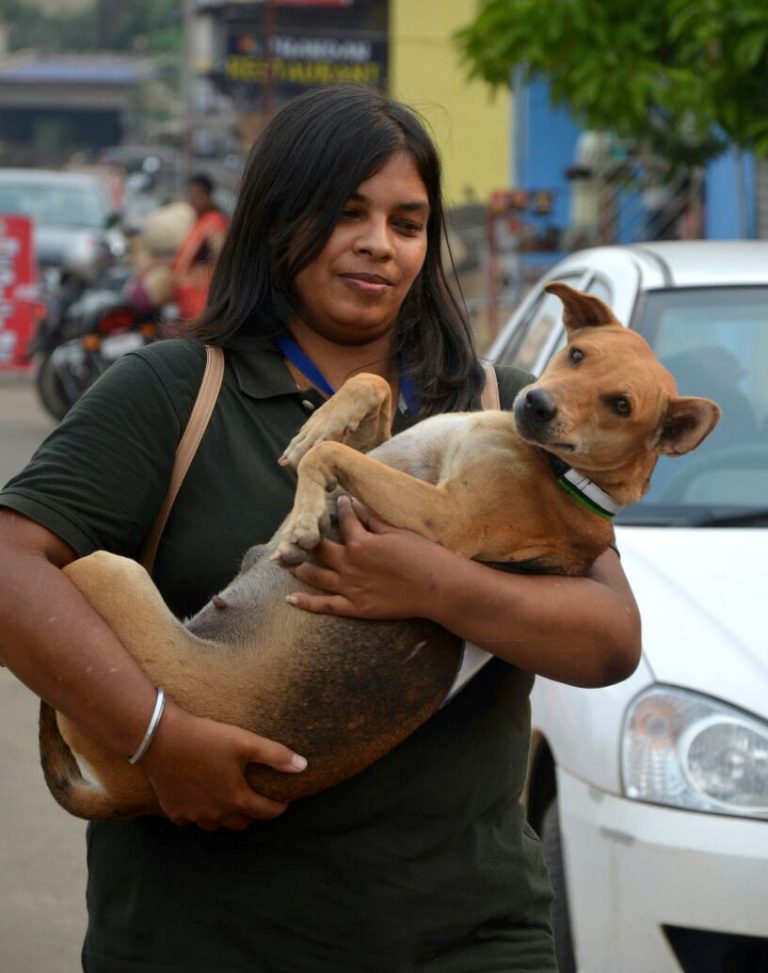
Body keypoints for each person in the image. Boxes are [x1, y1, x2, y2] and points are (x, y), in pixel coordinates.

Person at [0, 85, 641, 972]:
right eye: (346, 213)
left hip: (468, 937)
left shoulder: (498, 409)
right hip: (205, 939)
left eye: (408, 223)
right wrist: (157, 736)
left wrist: (432, 583)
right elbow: (10, 567)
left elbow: (611, 640)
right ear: (276, 219)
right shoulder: (175, 393)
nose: (380, 243)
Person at [172, 172, 229, 320]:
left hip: (203, 302)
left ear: (207, 195)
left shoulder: (214, 221)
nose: (192, 198)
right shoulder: (199, 222)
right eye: (189, 193)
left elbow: (221, 255)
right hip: (188, 303)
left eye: (196, 193)